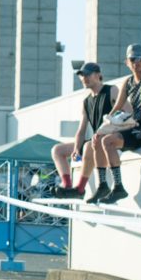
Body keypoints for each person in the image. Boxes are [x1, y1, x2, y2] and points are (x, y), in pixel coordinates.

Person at [85, 44, 141, 205]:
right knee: (99, 140)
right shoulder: (128, 81)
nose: (137, 62)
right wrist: (99, 131)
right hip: (134, 126)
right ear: (127, 62)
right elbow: (116, 107)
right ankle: (103, 185)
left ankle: (119, 187)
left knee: (108, 141)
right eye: (133, 59)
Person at [51, 62, 117, 197]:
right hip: (95, 140)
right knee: (57, 150)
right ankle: (68, 186)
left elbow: (125, 115)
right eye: (81, 75)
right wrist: (76, 148)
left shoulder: (111, 90)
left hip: (110, 139)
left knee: (88, 145)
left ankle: (80, 189)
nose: (83, 78)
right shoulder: (86, 101)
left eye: (87, 74)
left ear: (98, 75)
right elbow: (81, 130)